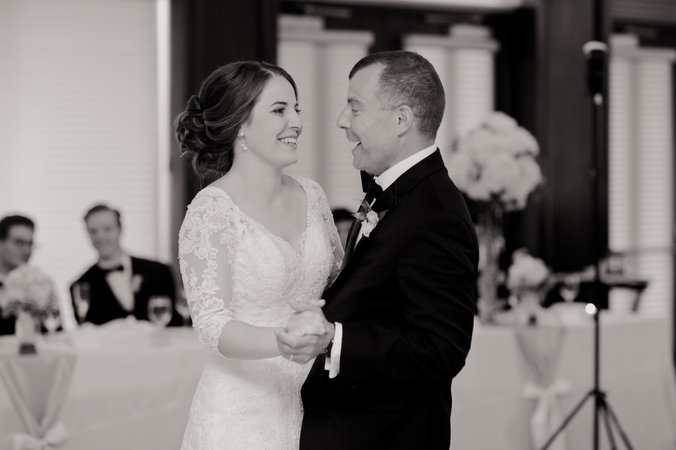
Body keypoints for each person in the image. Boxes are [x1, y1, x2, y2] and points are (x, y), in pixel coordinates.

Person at [276, 50, 479, 449]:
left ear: (401, 120)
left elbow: (441, 350)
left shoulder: (436, 214)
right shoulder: (395, 192)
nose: (342, 120)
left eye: (355, 107)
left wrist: (334, 340)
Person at [175, 61, 342, 449]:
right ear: (241, 124)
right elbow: (212, 325)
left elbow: (339, 281)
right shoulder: (212, 210)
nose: (297, 122)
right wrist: (282, 342)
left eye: (296, 108)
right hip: (239, 417)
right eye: (280, 110)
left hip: (317, 405)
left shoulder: (312, 194)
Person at [70, 204, 180, 326]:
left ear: (120, 229)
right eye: (93, 231)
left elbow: (178, 324)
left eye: (107, 229)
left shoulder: (159, 271)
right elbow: (86, 333)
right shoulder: (80, 288)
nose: (100, 236)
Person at [0, 214, 35, 335]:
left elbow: (54, 332)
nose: (26, 250)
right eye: (19, 242)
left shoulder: (39, 283)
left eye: (30, 244)